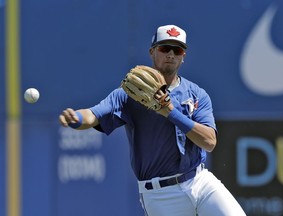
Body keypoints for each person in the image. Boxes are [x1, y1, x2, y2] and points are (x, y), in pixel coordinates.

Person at [59, 24, 246, 216]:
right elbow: (93, 114)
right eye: (165, 48)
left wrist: (170, 112)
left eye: (178, 49)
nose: (171, 54)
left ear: (183, 56)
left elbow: (209, 142)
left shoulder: (197, 94)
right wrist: (76, 118)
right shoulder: (129, 94)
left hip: (199, 181)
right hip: (160, 195)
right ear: (152, 52)